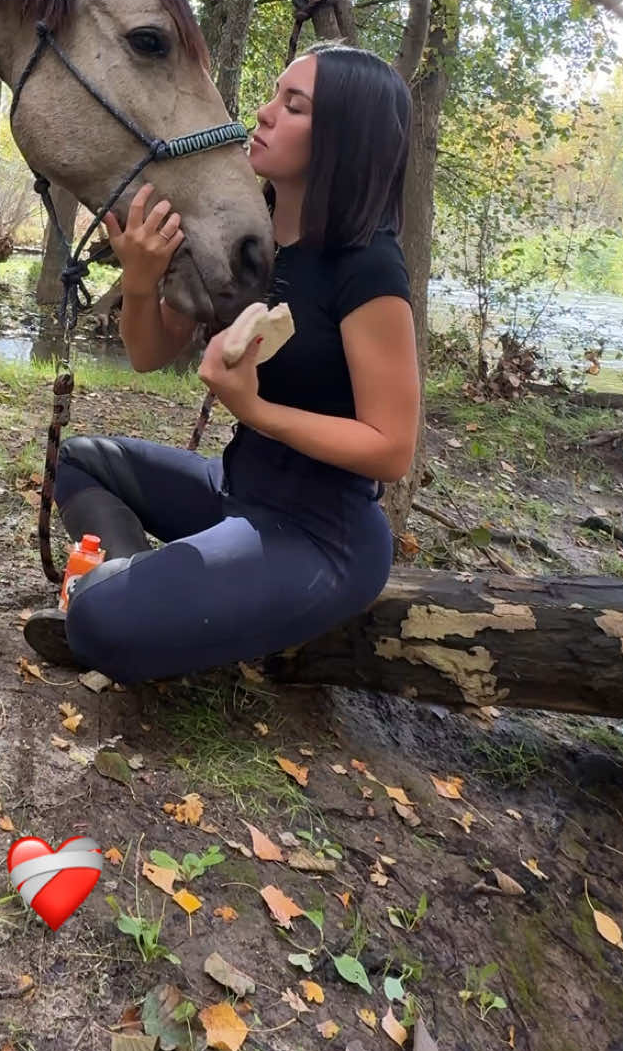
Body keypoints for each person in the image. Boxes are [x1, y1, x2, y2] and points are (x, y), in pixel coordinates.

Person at [22, 43, 420, 681]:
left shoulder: (367, 265)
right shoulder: (241, 238)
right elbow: (149, 354)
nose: (261, 114)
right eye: (273, 95)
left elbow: (391, 448)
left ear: (344, 138)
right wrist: (143, 280)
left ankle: (123, 601)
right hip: (233, 489)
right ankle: (133, 580)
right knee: (79, 461)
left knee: (98, 624)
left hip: (320, 534)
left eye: (295, 106)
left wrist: (254, 409)